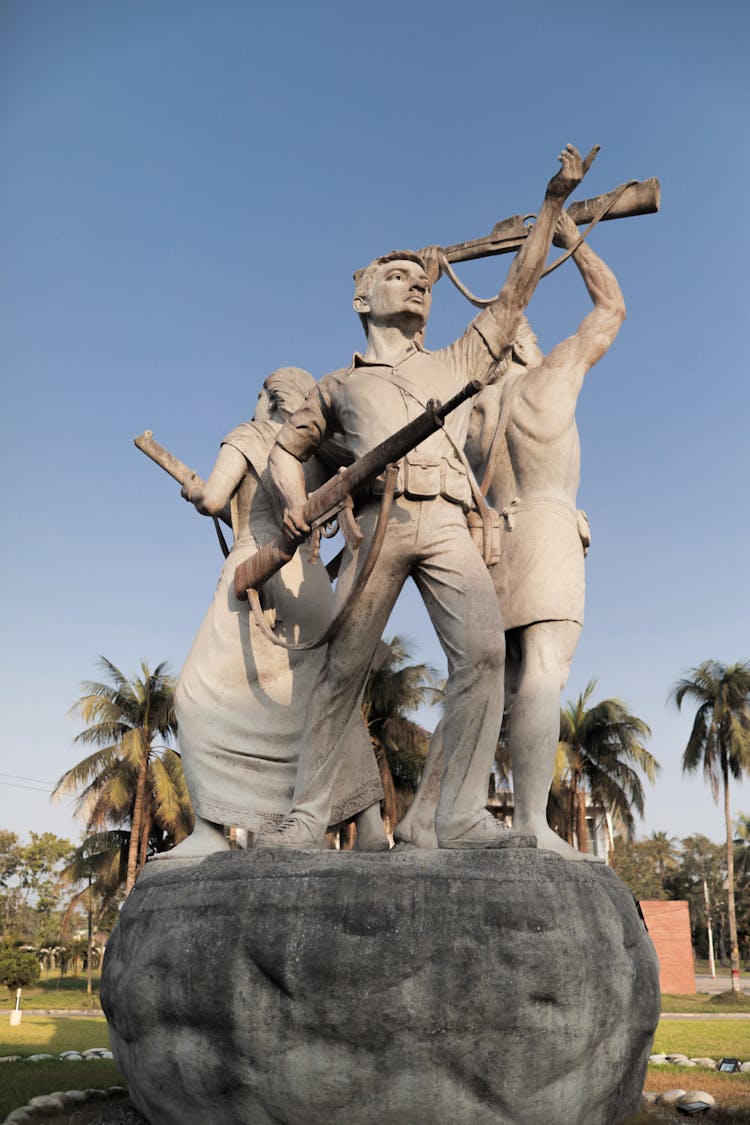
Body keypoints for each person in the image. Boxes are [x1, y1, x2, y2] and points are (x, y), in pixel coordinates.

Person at [258, 146, 590, 851]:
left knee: (482, 657)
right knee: (342, 669)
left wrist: (552, 203)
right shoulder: (337, 387)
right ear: (361, 297)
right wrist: (293, 502)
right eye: (397, 276)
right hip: (380, 522)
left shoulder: (452, 362)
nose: (415, 286)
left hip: (446, 522)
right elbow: (287, 451)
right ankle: (307, 814)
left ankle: (460, 812)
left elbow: (515, 297)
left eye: (421, 280)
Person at [394, 208, 626, 857]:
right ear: (525, 342)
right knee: (543, 672)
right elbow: (610, 308)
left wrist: (431, 289)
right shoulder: (551, 380)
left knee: (482, 686)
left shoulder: (471, 413)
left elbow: (412, 379)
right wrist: (570, 236)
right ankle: (531, 822)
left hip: (491, 542)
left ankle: (418, 818)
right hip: (548, 533)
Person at [168, 367, 387, 859]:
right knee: (323, 698)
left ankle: (210, 828)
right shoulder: (319, 453)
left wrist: (194, 492)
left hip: (255, 569)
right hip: (309, 582)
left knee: (197, 697)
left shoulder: (247, 436)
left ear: (268, 398)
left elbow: (214, 499)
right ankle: (370, 824)